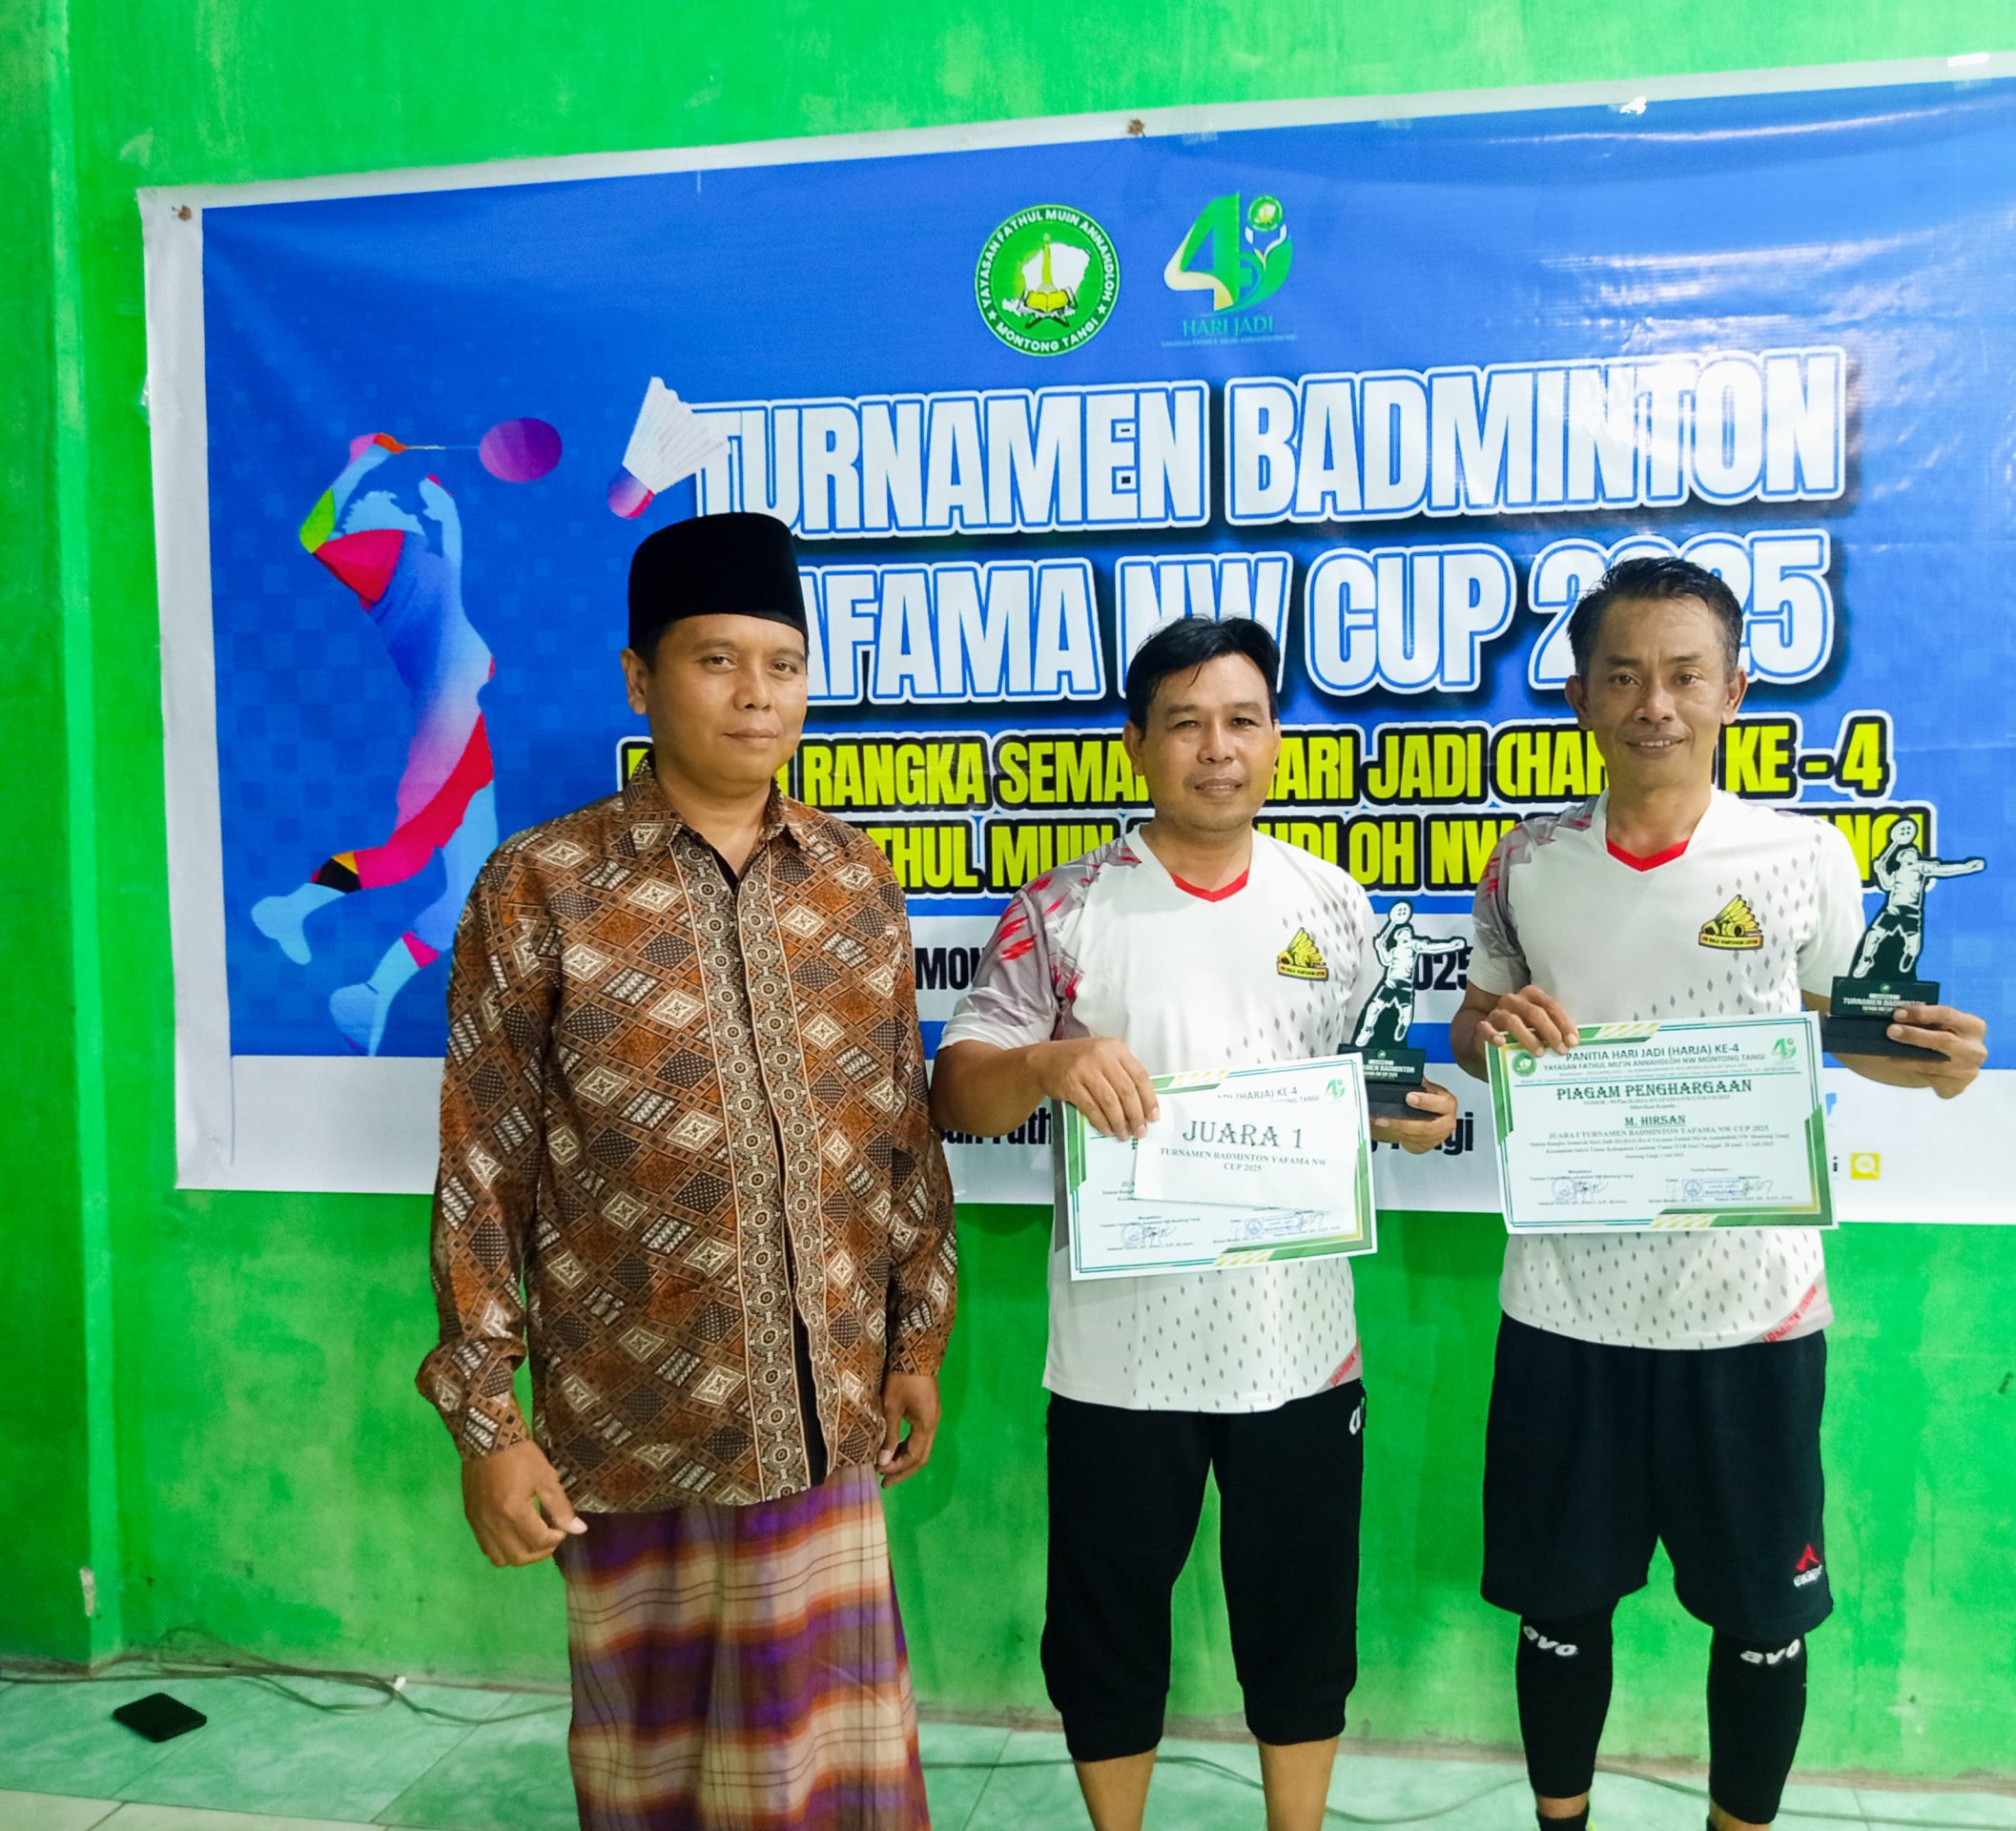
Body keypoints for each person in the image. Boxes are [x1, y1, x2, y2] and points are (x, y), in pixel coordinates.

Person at [414, 510, 957, 1830]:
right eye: (717, 660)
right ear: (639, 680)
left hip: (826, 1417)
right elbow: (481, 1170)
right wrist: (489, 1425)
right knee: (658, 1777)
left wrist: (915, 1341)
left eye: (782, 664)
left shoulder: (853, 879)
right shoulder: (541, 886)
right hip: (636, 1425)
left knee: (827, 1772)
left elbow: (898, 1129)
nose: (756, 695)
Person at [1448, 557, 1990, 1831]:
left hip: (1750, 1312)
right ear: (1580, 695)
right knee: (1560, 1608)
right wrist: (1491, 1032)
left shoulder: (1802, 855)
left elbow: (1853, 1027)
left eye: (1686, 675)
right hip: (1567, 1304)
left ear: (1734, 689)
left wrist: (1935, 1065)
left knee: (1760, 1618)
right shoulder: (1527, 859)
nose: (1656, 704)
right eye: (1625, 675)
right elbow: (1475, 1025)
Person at [928, 617, 1458, 1831]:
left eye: (1242, 721)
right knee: (1106, 1634)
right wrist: (1048, 1063)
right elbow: (956, 1093)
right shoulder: (1064, 910)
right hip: (1118, 1357)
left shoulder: (1332, 903)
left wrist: (1407, 1120)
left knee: (1302, 1627)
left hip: (1301, 1350)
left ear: (1273, 739)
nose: (1217, 749)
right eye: (1185, 723)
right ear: (1136, 743)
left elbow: (1370, 1089)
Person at [252, 436, 499, 1055]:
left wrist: (450, 523)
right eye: (384, 500)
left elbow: (454, 597)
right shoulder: (381, 554)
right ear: (361, 523)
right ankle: (292, 908)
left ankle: (370, 994)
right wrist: (363, 465)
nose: (398, 503)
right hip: (447, 740)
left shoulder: (421, 562)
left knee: (466, 895)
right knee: (405, 859)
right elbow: (314, 535)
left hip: (469, 741)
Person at [1851, 815, 1985, 978]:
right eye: (1909, 852)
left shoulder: (1920, 867)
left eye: (1914, 852)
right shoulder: (1897, 873)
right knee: (1873, 934)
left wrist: (1967, 867)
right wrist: (1880, 870)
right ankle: (1865, 960)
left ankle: (1910, 955)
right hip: (1892, 910)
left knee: (1913, 945)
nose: (1913, 853)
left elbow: (1942, 870)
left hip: (1911, 912)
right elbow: (1886, 885)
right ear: (1901, 858)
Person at [1350, 898, 1467, 1048]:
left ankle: (1403, 1025)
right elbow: (1385, 961)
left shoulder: (1413, 945)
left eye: (1409, 932)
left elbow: (1431, 948)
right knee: (1375, 1006)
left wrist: (1451, 946)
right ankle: (1367, 1030)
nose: (1408, 933)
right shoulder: (1394, 950)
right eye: (1405, 932)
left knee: (1406, 1013)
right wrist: (1380, 948)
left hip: (1405, 984)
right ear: (1398, 936)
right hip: (1391, 982)